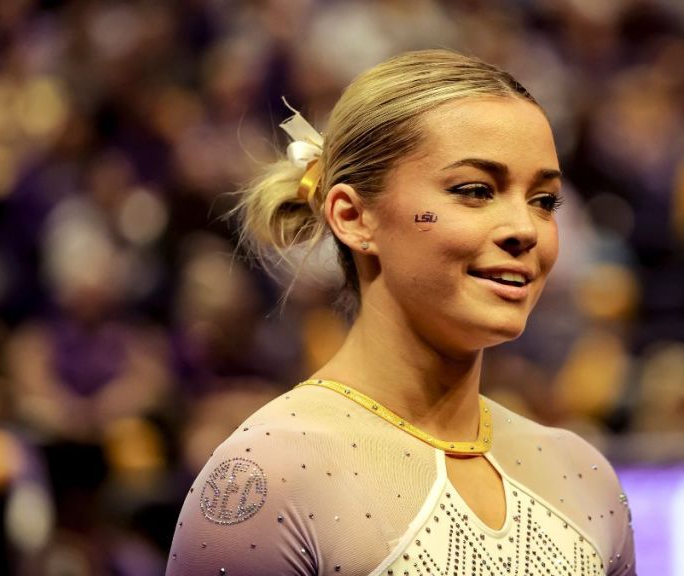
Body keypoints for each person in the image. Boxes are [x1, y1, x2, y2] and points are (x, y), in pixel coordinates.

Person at [166, 49, 636, 575]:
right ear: (353, 216)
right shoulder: (265, 477)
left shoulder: (584, 474)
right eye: (476, 191)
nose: (525, 229)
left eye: (544, 201)